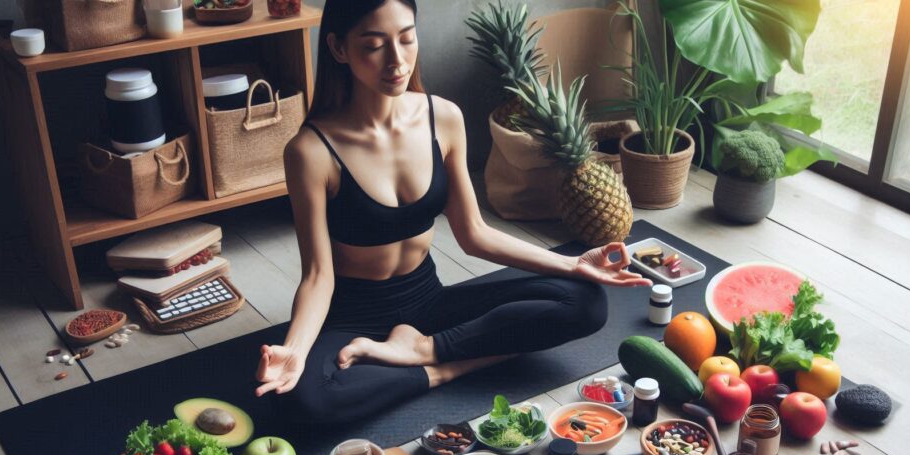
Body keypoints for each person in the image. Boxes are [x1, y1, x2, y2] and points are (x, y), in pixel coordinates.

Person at [255, 0, 651, 424]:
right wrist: (294, 352)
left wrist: (573, 264)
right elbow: (318, 276)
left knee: (585, 301)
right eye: (374, 46)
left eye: (407, 38)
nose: (397, 60)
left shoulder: (442, 118)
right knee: (302, 397)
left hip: (429, 303)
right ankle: (444, 369)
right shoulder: (310, 152)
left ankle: (424, 350)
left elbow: (473, 233)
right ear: (338, 48)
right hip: (355, 317)